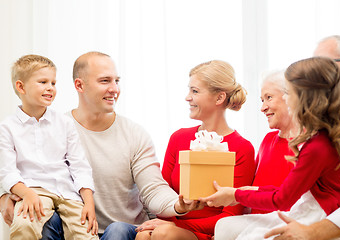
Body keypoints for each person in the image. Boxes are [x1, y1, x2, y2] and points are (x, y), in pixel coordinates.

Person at [0, 52, 201, 240]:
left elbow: (153, 189)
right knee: (43, 216)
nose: (114, 89)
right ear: (80, 85)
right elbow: (23, 166)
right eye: (105, 81)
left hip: (121, 229)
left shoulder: (134, 134)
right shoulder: (53, 127)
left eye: (116, 81)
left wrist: (179, 205)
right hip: (73, 226)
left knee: (117, 229)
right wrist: (3, 196)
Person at [201, 56, 340, 240]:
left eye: (288, 93)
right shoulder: (319, 138)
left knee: (249, 236)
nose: (285, 97)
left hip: (320, 215)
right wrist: (237, 193)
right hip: (311, 207)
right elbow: (283, 190)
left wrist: (236, 194)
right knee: (225, 226)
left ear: (305, 98)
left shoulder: (318, 145)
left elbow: (282, 198)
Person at [134, 60, 256, 240]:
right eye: (189, 90)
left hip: (207, 233)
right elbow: (163, 195)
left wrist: (175, 225)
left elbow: (230, 216)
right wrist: (165, 223)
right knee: (144, 235)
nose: (187, 97)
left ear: (219, 98)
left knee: (162, 233)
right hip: (170, 227)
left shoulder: (242, 148)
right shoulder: (179, 138)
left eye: (195, 91)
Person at [264, 35, 340, 240]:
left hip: (337, 222)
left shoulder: (323, 139)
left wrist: (314, 231)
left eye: (326, 65)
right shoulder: (320, 124)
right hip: (313, 211)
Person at [0, 54, 98, 239]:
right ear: (21, 87)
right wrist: (26, 193)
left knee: (87, 233)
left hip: (67, 193)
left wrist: (89, 202)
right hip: (32, 190)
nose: (50, 88)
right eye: (43, 82)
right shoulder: (7, 128)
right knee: (23, 224)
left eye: (53, 83)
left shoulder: (65, 123)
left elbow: (79, 166)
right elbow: (7, 172)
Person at [250, 70, 297, 214]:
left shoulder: (310, 144)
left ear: (291, 97)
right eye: (262, 100)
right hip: (253, 227)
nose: (262, 108)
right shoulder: (267, 141)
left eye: (268, 97)